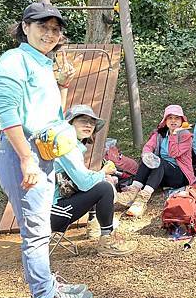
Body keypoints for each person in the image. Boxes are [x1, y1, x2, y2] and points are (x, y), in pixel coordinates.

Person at [0, 2, 92, 298]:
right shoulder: (14, 60)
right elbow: (7, 114)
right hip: (24, 155)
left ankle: (45, 286)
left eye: (55, 29)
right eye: (42, 27)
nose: (49, 34)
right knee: (36, 232)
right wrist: (26, 160)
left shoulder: (42, 64)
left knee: (38, 228)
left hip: (43, 154)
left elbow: (53, 117)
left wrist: (62, 85)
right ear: (25, 27)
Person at [51, 105, 138, 256]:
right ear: (69, 124)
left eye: (92, 122)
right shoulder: (66, 147)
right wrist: (104, 172)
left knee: (97, 182)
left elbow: (82, 179)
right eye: (83, 120)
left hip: (50, 210)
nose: (89, 125)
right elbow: (85, 183)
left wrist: (100, 175)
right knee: (103, 188)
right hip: (51, 214)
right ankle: (107, 241)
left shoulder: (71, 145)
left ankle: (95, 227)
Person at [123, 105, 196, 217]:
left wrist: (174, 134)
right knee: (149, 159)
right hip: (161, 174)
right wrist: (147, 154)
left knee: (160, 163)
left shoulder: (186, 136)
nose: (173, 121)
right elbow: (148, 146)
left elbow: (174, 153)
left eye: (177, 118)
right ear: (165, 121)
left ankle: (142, 200)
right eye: (170, 118)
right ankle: (133, 191)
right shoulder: (160, 134)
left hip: (180, 175)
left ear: (182, 120)